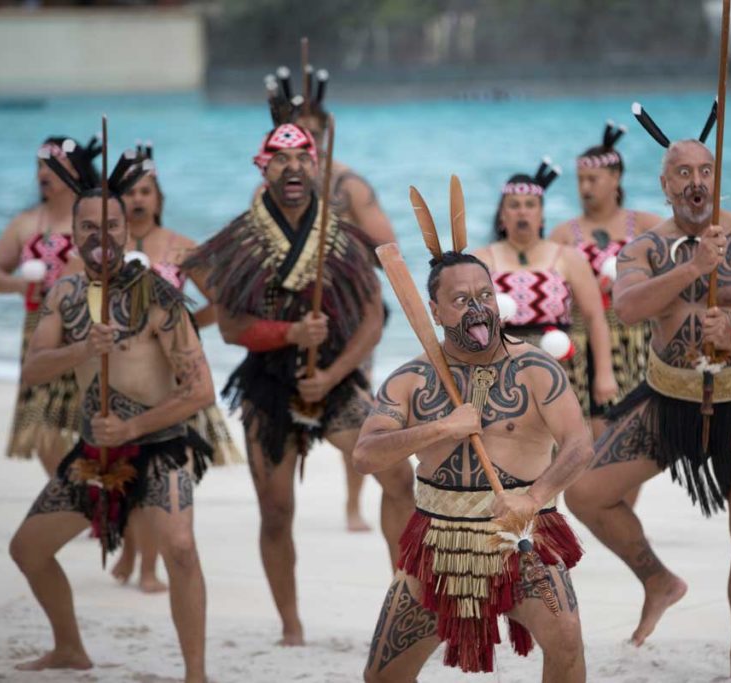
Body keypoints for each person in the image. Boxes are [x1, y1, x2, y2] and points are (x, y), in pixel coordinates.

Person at [565, 101, 731, 679]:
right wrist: (691, 269)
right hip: (668, 399)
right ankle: (658, 579)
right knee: (585, 495)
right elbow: (627, 308)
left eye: (704, 172)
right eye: (683, 173)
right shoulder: (646, 249)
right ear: (664, 183)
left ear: (716, 178)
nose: (696, 182)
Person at [184, 123, 414, 646]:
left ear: (316, 168)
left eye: (300, 159)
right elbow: (231, 326)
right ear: (262, 169)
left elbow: (375, 319)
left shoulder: (343, 235)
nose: (291, 168)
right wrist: (289, 332)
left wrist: (333, 374)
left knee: (399, 477)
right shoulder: (241, 239)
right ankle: (290, 624)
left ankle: (406, 599)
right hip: (268, 383)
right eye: (279, 159)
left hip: (335, 379)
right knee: (276, 511)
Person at [9, 151, 212, 682]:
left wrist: (133, 428)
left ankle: (196, 673)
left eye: (112, 225)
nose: (101, 235)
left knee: (182, 549)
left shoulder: (159, 296)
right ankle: (70, 648)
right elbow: (33, 370)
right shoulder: (66, 294)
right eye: (89, 226)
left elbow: (200, 390)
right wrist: (80, 349)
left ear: (127, 229)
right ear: (73, 231)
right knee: (27, 551)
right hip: (96, 453)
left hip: (161, 444)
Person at [355, 250, 591, 682]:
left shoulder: (535, 368)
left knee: (567, 639)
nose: (478, 306)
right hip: (438, 541)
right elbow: (366, 454)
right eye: (461, 300)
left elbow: (579, 446)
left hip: (521, 534)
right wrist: (440, 428)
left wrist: (534, 497)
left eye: (485, 294)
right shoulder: (411, 378)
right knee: (382, 676)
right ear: (435, 311)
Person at [94, 144, 243, 593]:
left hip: (174, 378)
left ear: (159, 198)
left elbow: (220, 301)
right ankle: (135, 552)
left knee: (160, 468)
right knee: (123, 464)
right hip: (122, 373)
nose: (139, 199)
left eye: (147, 191)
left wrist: (187, 327)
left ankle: (145, 565)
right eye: (131, 192)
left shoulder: (182, 247)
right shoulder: (104, 249)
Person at [266, 63, 396, 532]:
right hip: (291, 315)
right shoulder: (271, 189)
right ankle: (281, 496)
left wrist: (337, 240)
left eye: (313, 136)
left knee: (356, 398)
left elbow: (387, 249)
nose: (306, 146)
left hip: (349, 312)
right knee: (284, 392)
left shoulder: (349, 185)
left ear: (324, 135)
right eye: (294, 137)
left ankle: (353, 503)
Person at [0, 136, 100, 474]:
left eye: (52, 165)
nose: (42, 173)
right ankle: (74, 496)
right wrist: (18, 285)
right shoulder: (26, 222)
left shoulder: (98, 218)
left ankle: (96, 499)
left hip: (86, 331)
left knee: (92, 422)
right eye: (39, 166)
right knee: (44, 426)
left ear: (75, 170)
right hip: (38, 330)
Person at [471, 158, 618, 420]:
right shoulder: (480, 259)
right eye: (514, 206)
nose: (522, 212)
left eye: (530, 205)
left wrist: (604, 374)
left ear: (541, 215)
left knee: (565, 446)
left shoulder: (568, 257)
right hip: (499, 369)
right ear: (502, 215)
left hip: (560, 365)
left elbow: (595, 318)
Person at [551, 121, 662, 440]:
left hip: (637, 339)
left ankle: (623, 492)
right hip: (580, 340)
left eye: (592, 179)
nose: (585, 187)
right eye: (580, 180)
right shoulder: (563, 234)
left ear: (615, 178)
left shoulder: (645, 225)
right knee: (587, 435)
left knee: (638, 435)